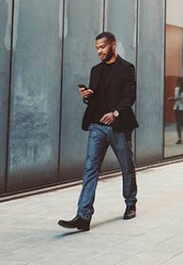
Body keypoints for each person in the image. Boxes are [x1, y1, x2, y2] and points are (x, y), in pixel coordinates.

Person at [58, 32, 139, 232]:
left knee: (126, 166)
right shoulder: (95, 70)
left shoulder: (127, 68)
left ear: (112, 45)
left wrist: (116, 113)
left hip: (118, 126)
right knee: (90, 169)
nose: (99, 51)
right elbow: (95, 99)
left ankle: (130, 202)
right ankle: (83, 216)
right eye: (96, 48)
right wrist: (87, 96)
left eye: (102, 47)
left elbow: (130, 96)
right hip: (96, 126)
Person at [170, 77, 183, 145]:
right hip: (176, 108)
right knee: (178, 124)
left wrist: (179, 99)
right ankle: (179, 139)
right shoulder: (176, 89)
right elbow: (176, 98)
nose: (177, 84)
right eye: (177, 82)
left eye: (178, 82)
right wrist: (173, 99)